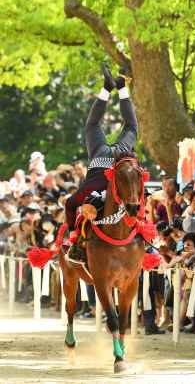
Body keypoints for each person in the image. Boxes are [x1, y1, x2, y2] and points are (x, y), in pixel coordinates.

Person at [65, 64, 138, 261]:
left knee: (70, 204)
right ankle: (121, 87)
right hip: (120, 160)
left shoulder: (93, 180)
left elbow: (71, 205)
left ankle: (73, 237)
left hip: (100, 169)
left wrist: (72, 229)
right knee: (131, 126)